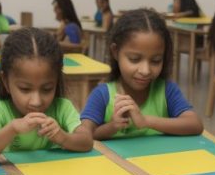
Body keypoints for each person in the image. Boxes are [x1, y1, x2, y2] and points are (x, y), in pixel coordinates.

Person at [0, 28, 93, 164]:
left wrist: (62, 137)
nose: (36, 101)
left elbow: (87, 141)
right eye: (25, 89)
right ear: (6, 81)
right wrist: (12, 129)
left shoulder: (62, 107)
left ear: (57, 81)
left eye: (47, 89)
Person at [80, 8, 203, 139]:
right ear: (115, 52)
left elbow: (195, 124)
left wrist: (146, 121)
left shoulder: (166, 91)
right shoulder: (102, 95)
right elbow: (85, 134)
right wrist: (112, 127)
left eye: (156, 61)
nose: (145, 71)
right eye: (134, 59)